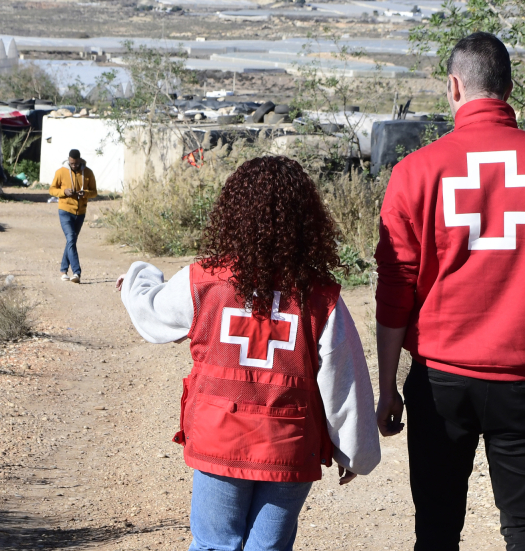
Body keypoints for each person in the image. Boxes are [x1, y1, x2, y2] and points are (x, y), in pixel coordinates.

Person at [374, 32, 525, 550]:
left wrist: (387, 388)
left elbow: (394, 292)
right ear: (510, 87)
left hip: (440, 382)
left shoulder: (414, 172)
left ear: (454, 87)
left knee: (436, 529)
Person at [117, 156, 380, 551]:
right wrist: (355, 454)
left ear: (233, 211)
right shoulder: (320, 297)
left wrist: (139, 277)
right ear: (305, 219)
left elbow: (152, 313)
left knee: (213, 545)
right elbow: (343, 383)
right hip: (288, 447)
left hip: (219, 440)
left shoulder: (203, 282)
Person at [50, 149, 97, 283]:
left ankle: (63, 270)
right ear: (68, 160)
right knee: (71, 237)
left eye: (76, 163)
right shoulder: (61, 172)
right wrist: (64, 191)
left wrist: (86, 193)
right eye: (71, 163)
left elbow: (94, 192)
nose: (74, 165)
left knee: (71, 240)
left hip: (80, 213)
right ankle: (76, 272)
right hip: (65, 211)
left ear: (80, 161)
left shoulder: (88, 172)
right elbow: (52, 189)